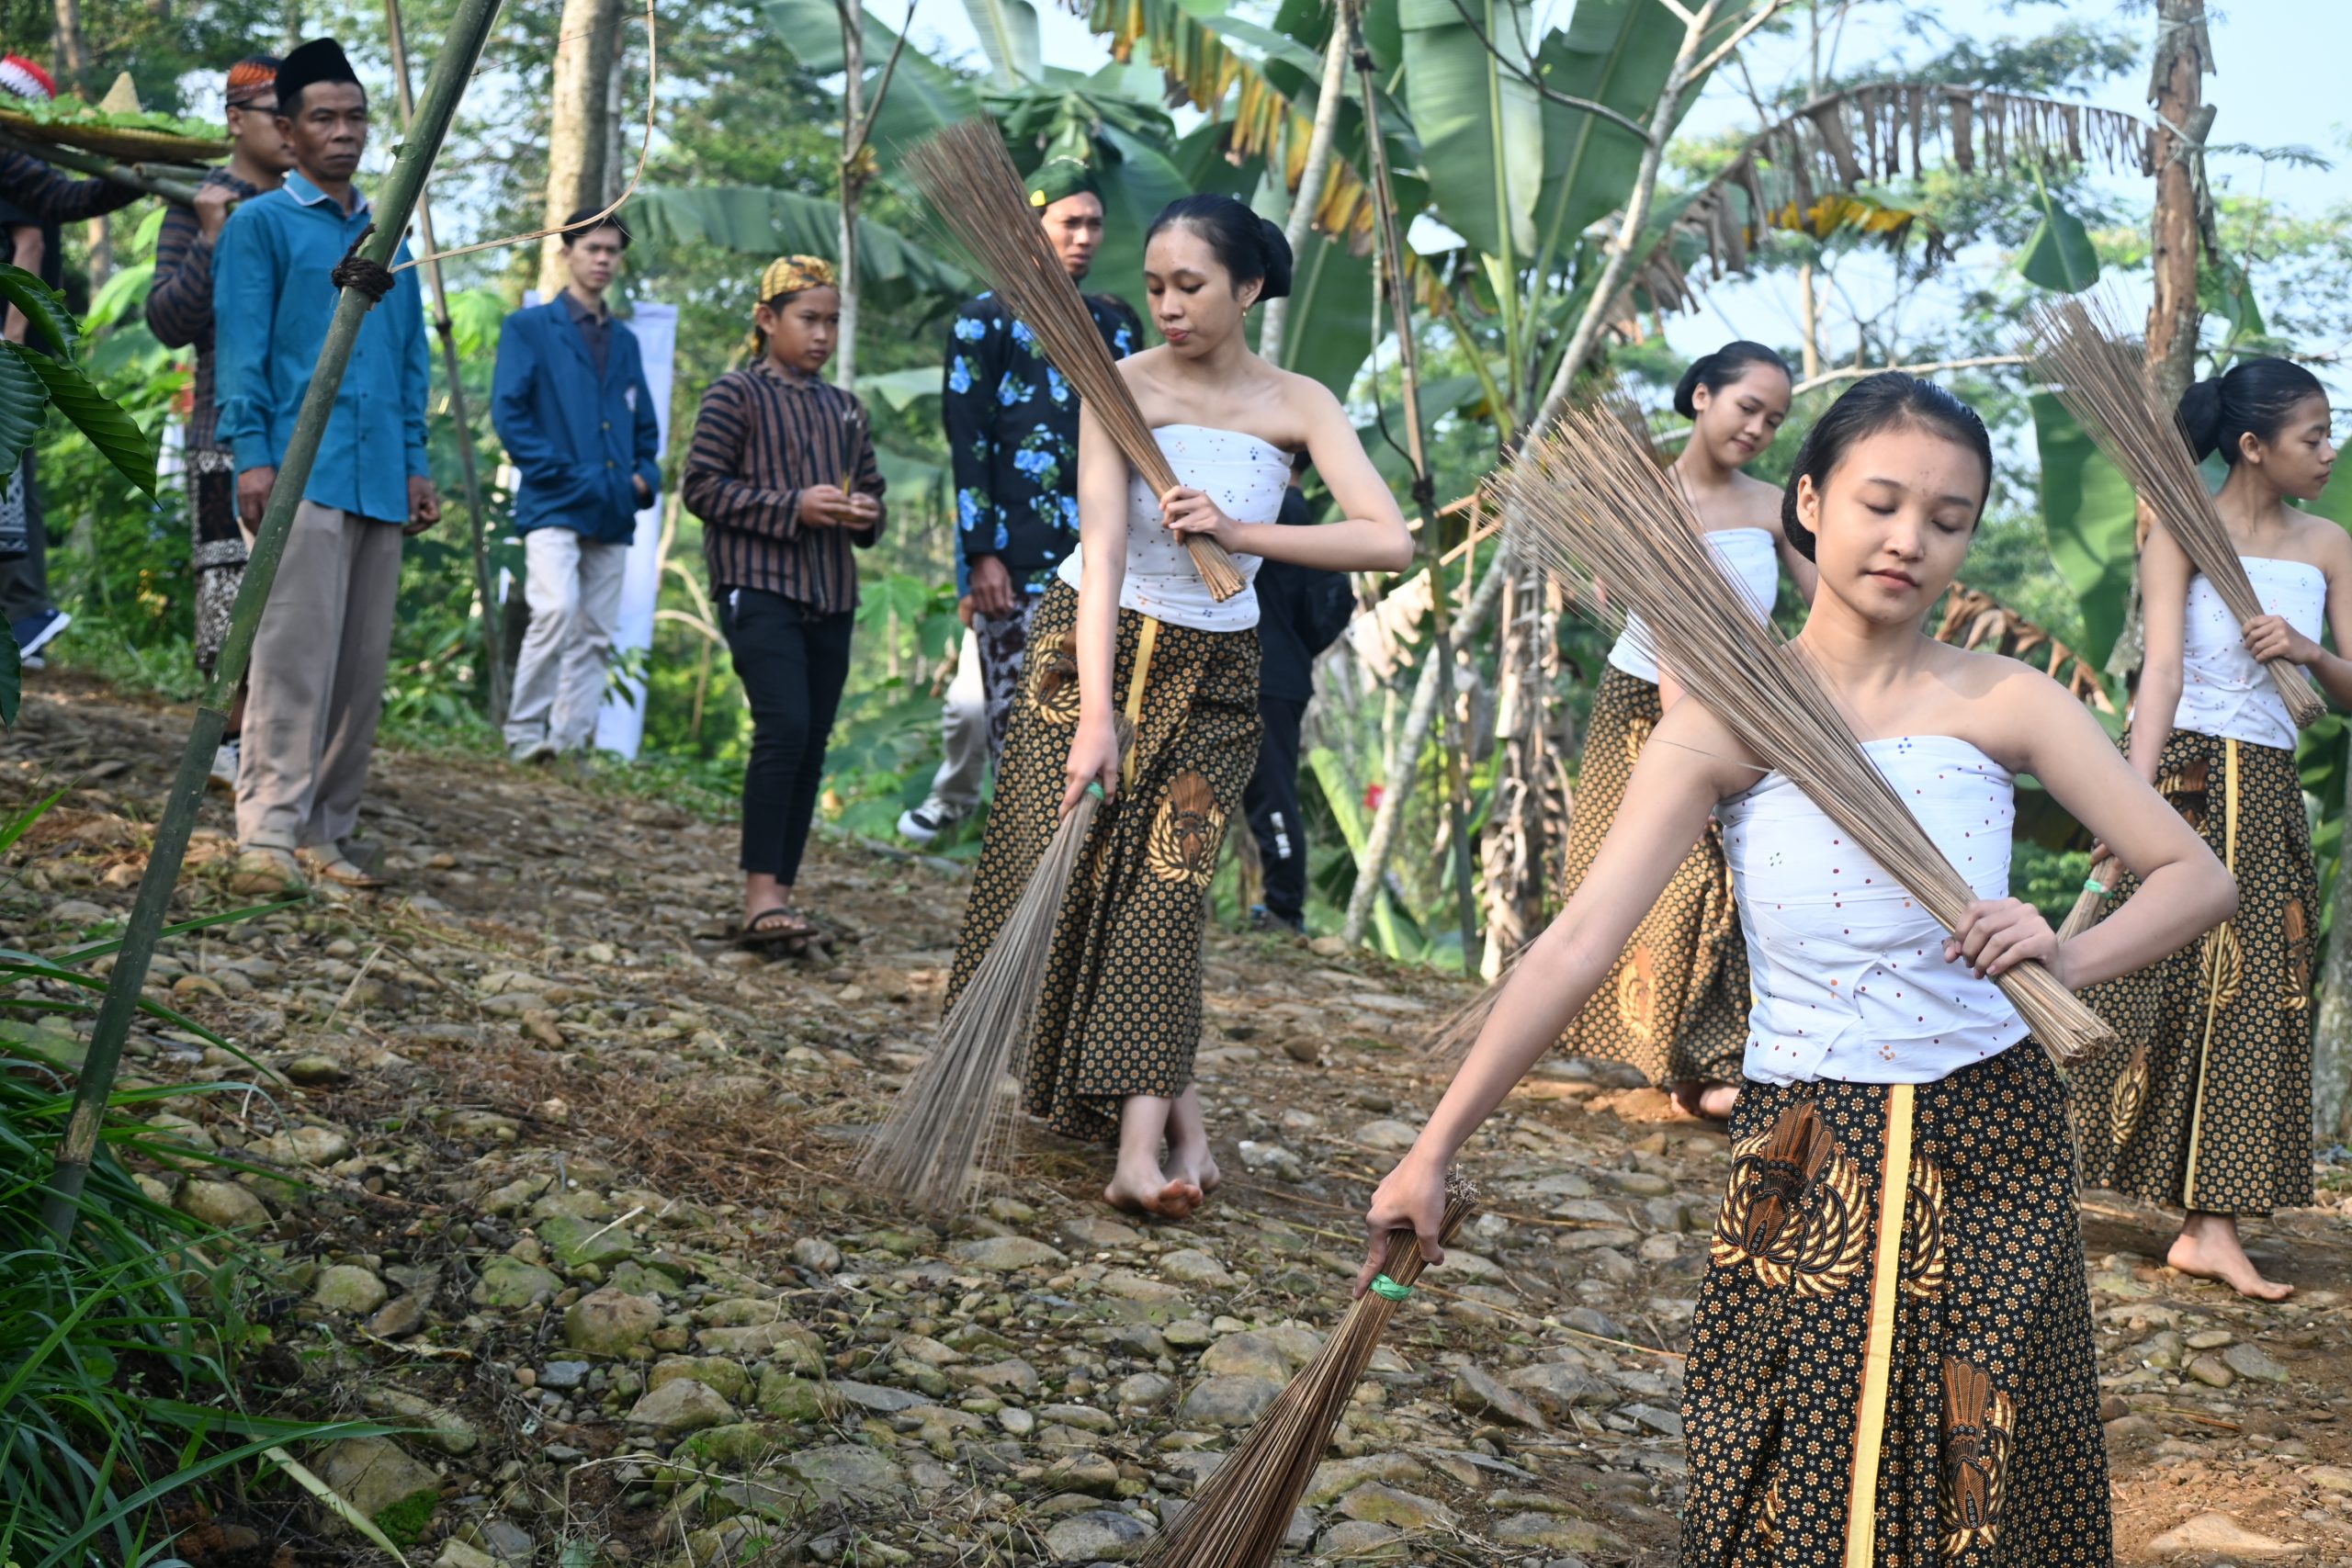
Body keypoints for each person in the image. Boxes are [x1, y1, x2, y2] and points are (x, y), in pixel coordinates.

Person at [1360, 373, 2234, 1564]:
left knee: (1982, 1462)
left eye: (1948, 517)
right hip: (1803, 1134)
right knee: (1785, 1456)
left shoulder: (2007, 700)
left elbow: (2194, 874)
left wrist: (2064, 947)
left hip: (1992, 1130)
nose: (1909, 539)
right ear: (1810, 504)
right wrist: (1432, 1147)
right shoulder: (1732, 716)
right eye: (1880, 502)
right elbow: (1577, 941)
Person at [946, 194, 1413, 1217]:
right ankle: (1177, 1138)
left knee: (1163, 895)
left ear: (1247, 289)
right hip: (1087, 658)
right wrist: (1098, 716)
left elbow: (1388, 538)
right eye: (1154, 285)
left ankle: (1136, 1160)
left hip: (1216, 678)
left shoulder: (1300, 402)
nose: (1166, 306)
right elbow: (1105, 551)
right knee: (1062, 875)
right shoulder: (1116, 384)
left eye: (1191, 286)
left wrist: (1247, 535)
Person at [2068, 357, 2348, 1303]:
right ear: (2252, 446)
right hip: (2182, 782)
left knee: (2252, 997)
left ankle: (2211, 1226)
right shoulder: (2179, 532)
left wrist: (2308, 651)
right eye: (2313, 436)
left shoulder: (2328, 544)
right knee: (2132, 976)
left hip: (2266, 794)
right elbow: (2160, 676)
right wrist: (2126, 800)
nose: (2327, 451)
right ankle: (2024, 1160)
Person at [1560, 342, 1807, 1121]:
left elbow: (1827, 603)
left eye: (1774, 419)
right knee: (1664, 876)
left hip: (1743, 712)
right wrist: (1683, 742)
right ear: (1702, 395)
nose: (1760, 428)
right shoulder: (1646, 498)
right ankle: (1661, 1058)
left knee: (1731, 882)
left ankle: (1706, 1065)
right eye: (1748, 407)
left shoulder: (1773, 504)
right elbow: (1665, 630)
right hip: (1648, 705)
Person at [214, 37, 438, 895]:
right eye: (323, 118)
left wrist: (417, 463)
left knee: (359, 670)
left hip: (381, 474)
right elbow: (244, 351)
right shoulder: (260, 225)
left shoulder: (390, 235)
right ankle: (267, 831)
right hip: (300, 469)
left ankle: (325, 834)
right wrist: (253, 460)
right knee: (291, 657)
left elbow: (409, 357)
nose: (342, 133)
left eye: (354, 117)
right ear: (288, 130)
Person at [899, 158, 1143, 844]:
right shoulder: (987, 321)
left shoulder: (1118, 324)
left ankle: (1077, 875)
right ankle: (1022, 877)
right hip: (1018, 562)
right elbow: (967, 441)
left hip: (1108, 562)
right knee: (1021, 727)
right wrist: (980, 556)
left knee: (1099, 722)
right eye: (1070, 222)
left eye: (1095, 223)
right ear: (1031, 230)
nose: (1086, 236)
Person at [682, 256, 884, 949]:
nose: (822, 335)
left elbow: (875, 493)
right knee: (784, 729)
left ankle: (783, 892)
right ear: (767, 321)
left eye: (832, 320)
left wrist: (864, 512)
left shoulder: (846, 409)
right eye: (809, 319)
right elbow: (701, 489)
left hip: (832, 594)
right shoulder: (732, 395)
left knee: (811, 743)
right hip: (758, 586)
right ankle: (760, 895)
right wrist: (791, 506)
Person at [146, 54, 294, 787]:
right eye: (279, 112)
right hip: (220, 426)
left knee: (293, 597)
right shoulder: (199, 202)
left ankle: (281, 748)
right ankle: (230, 741)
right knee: (226, 589)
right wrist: (208, 237)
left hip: (300, 430)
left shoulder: (308, 207)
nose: (294, 128)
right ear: (237, 120)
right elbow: (167, 320)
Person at [491, 207, 662, 763]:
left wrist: (644, 480)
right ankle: (523, 734)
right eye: (593, 248)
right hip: (553, 498)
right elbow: (510, 413)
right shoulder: (529, 327)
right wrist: (564, 472)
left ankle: (568, 744)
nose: (604, 260)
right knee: (557, 609)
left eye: (612, 251)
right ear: (566, 254)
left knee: (595, 630)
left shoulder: (627, 340)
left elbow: (646, 429)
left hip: (614, 505)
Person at [0, 53, 146, 668]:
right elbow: (70, 200)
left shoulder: (11, 158)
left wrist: (8, 339)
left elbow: (33, 237)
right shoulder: (21, 161)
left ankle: (25, 613)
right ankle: (25, 616)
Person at [1242, 456, 1352, 934]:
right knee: (1271, 790)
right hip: (1284, 674)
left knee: (1271, 795)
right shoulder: (1313, 526)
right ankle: (1281, 906)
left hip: (1259, 672)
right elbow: (1334, 607)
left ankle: (1285, 910)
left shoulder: (1268, 514)